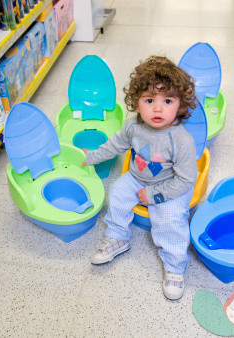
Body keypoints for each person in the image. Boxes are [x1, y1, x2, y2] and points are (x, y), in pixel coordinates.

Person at [81, 55, 198, 300]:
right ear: (137, 102)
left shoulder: (181, 140)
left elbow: (186, 181)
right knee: (117, 193)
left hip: (171, 185)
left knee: (170, 220)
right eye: (149, 100)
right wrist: (91, 156)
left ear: (180, 104)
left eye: (167, 100)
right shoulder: (133, 127)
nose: (158, 108)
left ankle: (175, 265)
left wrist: (155, 195)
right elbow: (115, 145)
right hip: (137, 177)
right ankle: (118, 238)